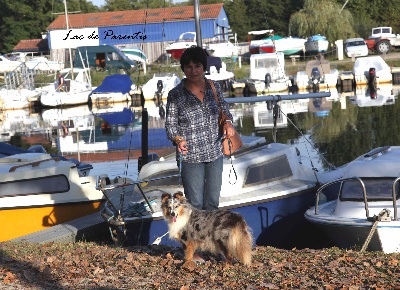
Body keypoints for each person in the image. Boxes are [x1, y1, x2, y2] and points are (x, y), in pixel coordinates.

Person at [165, 46, 235, 211]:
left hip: (215, 152)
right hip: (191, 157)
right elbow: (170, 126)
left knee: (212, 203)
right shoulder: (175, 94)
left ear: (204, 67)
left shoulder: (214, 87)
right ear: (183, 69)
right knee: (194, 204)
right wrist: (178, 140)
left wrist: (228, 123)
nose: (193, 70)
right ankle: (196, 237)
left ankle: (210, 236)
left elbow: (225, 111)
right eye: (188, 66)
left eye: (197, 66)